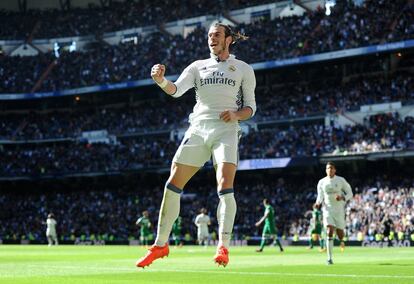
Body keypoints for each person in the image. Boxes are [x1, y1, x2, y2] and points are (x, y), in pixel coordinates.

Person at [136, 21, 256, 268]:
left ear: (228, 39)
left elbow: (250, 108)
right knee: (172, 184)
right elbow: (177, 90)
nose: (212, 38)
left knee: (224, 185)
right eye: (209, 35)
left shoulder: (243, 68)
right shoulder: (197, 66)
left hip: (226, 130)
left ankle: (223, 246)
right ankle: (160, 245)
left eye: (216, 35)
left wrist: (235, 115)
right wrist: (160, 80)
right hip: (199, 129)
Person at [315, 162, 353, 265]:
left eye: (331, 168)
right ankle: (329, 258)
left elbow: (350, 193)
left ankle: (341, 240)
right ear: (325, 170)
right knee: (329, 231)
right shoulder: (321, 182)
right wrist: (317, 203)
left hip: (339, 210)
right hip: (327, 210)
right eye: (328, 168)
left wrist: (342, 197)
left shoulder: (341, 180)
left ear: (335, 170)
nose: (329, 170)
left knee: (340, 233)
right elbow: (320, 196)